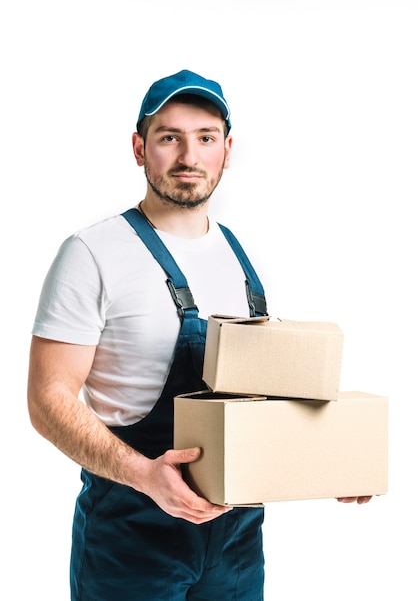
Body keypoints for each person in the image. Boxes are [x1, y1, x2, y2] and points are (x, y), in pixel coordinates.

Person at [27, 69, 371, 601]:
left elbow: (258, 403)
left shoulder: (238, 257)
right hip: (130, 537)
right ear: (139, 148)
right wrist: (143, 474)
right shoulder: (92, 253)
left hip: (236, 544)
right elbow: (47, 399)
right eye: (170, 137)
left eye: (206, 137)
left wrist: (330, 464)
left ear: (227, 150)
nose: (189, 155)